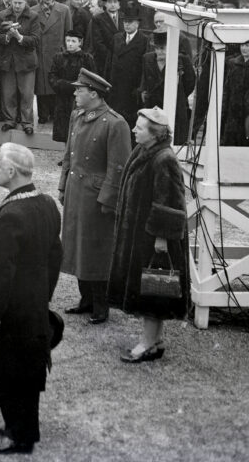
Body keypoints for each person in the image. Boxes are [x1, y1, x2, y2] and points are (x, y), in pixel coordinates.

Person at [0, 143, 62, 455]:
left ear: (11, 171)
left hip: (9, 312)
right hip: (32, 308)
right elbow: (55, 257)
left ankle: (17, 436)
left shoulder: (11, 215)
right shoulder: (47, 204)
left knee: (8, 375)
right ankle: (23, 429)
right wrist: (42, 298)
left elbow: (0, 271)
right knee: (28, 373)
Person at [107, 108, 190, 363]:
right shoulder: (145, 151)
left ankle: (147, 343)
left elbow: (171, 201)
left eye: (139, 128)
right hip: (141, 236)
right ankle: (156, 340)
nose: (134, 130)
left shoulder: (163, 159)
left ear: (154, 134)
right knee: (153, 288)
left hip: (154, 240)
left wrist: (162, 238)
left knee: (153, 290)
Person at [59, 68, 132, 324]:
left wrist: (108, 200)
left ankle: (101, 305)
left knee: (97, 250)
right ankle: (86, 299)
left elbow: (118, 167)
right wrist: (62, 186)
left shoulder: (115, 123)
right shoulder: (77, 116)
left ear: (94, 93)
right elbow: (69, 155)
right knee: (77, 245)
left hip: (96, 197)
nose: (76, 93)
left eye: (80, 89)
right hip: (76, 191)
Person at [139, 31, 196, 144]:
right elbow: (144, 79)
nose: (159, 52)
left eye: (163, 48)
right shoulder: (147, 58)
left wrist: (180, 95)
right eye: (157, 48)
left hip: (175, 106)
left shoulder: (180, 60)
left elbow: (190, 82)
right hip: (153, 106)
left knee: (175, 139)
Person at [0, 0, 39, 135]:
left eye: (20, 3)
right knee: (8, 94)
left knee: (27, 94)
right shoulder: (2, 15)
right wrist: (8, 36)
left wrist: (19, 37)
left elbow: (35, 40)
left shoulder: (33, 16)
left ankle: (27, 122)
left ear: (25, 1)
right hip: (8, 61)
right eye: (15, 2)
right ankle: (10, 120)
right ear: (11, 1)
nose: (17, 6)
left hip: (26, 62)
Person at [33, 0, 72, 125]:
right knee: (41, 86)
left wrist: (67, 53)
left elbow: (69, 33)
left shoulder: (64, 10)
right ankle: (43, 115)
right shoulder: (33, 11)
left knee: (56, 85)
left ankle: (56, 115)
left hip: (58, 54)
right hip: (41, 54)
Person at [47, 31, 96, 143]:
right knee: (64, 129)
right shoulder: (59, 57)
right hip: (62, 97)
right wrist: (59, 84)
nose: (70, 44)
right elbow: (52, 75)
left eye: (73, 41)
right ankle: (66, 156)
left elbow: (92, 78)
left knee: (79, 127)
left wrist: (76, 87)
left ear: (80, 42)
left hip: (79, 99)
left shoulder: (87, 58)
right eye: (68, 40)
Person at [221, 40, 249, 145]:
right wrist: (224, 107)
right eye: (242, 45)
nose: (244, 48)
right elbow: (227, 88)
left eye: (247, 46)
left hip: (247, 113)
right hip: (232, 110)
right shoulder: (233, 63)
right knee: (230, 141)